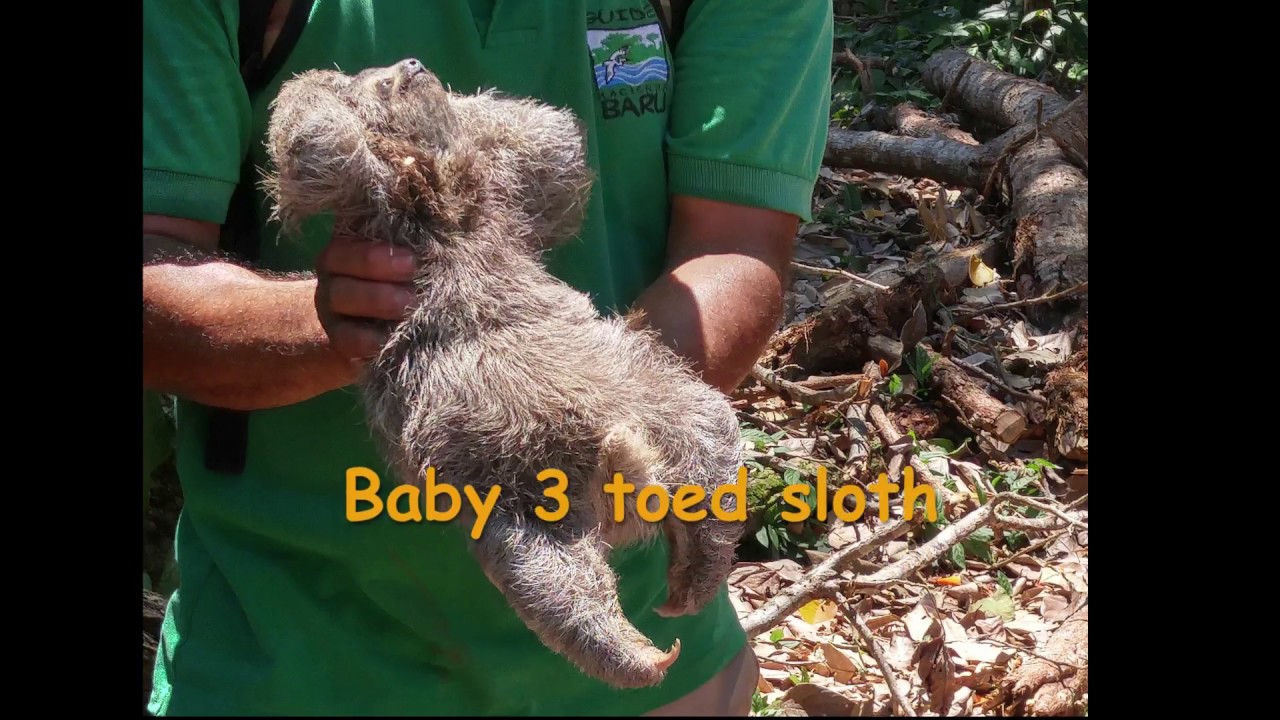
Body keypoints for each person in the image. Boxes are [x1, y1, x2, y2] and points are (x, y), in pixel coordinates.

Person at [142, 0, 833, 714]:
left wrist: (605, 395)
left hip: (646, 639)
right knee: (530, 536)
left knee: (682, 439)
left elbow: (736, 244)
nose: (411, 71)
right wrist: (336, 319)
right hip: (288, 659)